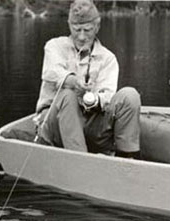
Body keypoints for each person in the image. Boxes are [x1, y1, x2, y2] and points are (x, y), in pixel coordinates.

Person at [35, 0, 141, 158]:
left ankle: (127, 159)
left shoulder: (108, 58)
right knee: (67, 96)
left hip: (89, 122)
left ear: (97, 27)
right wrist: (73, 82)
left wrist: (93, 99)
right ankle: (80, 161)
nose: (82, 36)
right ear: (69, 25)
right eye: (76, 30)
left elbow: (108, 95)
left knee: (129, 95)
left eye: (87, 30)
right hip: (54, 125)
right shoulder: (54, 46)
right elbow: (51, 72)